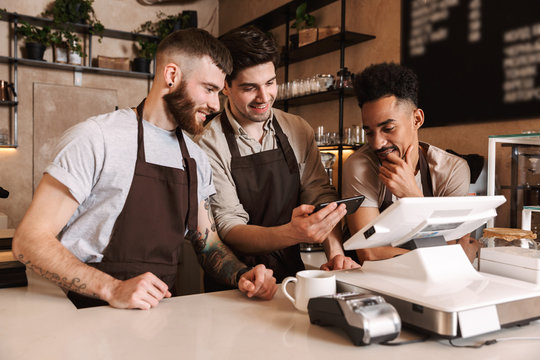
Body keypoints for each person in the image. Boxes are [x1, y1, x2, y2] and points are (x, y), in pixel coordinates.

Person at [12, 28, 277, 310]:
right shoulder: (96, 138)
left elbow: (207, 244)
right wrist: (112, 288)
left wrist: (240, 274)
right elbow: (29, 241)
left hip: (158, 316)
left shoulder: (195, 158)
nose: (215, 104)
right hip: (83, 314)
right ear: (171, 76)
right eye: (209, 89)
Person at [195, 26, 359, 291]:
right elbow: (230, 227)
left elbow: (320, 197)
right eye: (250, 88)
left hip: (291, 277)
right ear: (225, 85)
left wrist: (336, 253)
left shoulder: (297, 128)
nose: (264, 97)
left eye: (270, 83)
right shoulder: (208, 144)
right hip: (237, 282)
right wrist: (294, 232)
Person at [343, 62, 479, 264]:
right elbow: (369, 253)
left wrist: (412, 196)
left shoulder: (452, 170)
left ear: (417, 119)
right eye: (369, 132)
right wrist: (445, 256)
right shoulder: (360, 166)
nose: (377, 143)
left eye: (388, 128)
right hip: (373, 281)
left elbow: (450, 246)